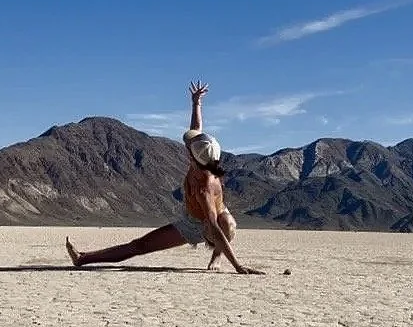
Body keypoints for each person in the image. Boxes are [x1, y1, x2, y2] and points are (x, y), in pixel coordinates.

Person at [65, 80, 264, 275]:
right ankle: (83, 258)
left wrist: (237, 266)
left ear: (192, 157)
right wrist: (196, 103)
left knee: (226, 224)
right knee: (140, 245)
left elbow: (213, 227)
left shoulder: (205, 186)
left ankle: (216, 256)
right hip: (192, 220)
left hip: (203, 224)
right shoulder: (203, 160)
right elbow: (197, 130)